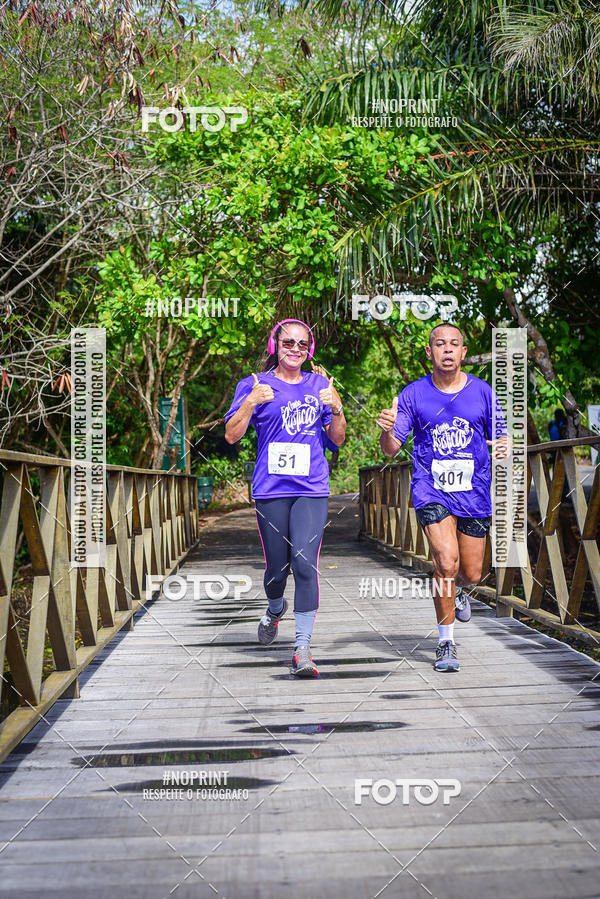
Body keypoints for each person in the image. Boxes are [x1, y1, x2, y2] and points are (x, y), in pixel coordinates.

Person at [377, 323, 508, 672]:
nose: (447, 349)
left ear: (463, 353)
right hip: (431, 489)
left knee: (472, 573)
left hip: (474, 492)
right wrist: (389, 430)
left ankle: (460, 590)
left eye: (454, 344)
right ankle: (446, 642)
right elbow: (391, 451)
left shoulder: (483, 392)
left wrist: (506, 447)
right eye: (440, 344)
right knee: (446, 563)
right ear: (430, 353)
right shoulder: (413, 394)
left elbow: (502, 439)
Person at [224, 319, 346, 677]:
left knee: (305, 563)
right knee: (277, 570)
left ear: (309, 350)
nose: (295, 348)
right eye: (288, 342)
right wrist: (250, 402)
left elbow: (337, 439)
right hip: (271, 489)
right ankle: (275, 607)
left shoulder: (319, 384)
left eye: (302, 344)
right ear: (274, 346)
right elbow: (231, 435)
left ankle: (302, 649)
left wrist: (337, 407)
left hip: (312, 488)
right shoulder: (254, 384)